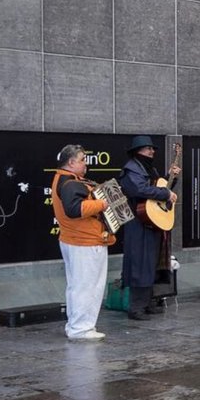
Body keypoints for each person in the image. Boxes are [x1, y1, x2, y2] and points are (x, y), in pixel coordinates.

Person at [51, 144, 114, 341]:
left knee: (77, 285)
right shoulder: (69, 183)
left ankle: (77, 326)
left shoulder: (64, 179)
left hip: (76, 240)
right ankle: (81, 328)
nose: (85, 164)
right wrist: (102, 204)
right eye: (82, 160)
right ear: (71, 162)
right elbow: (75, 209)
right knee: (87, 286)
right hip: (84, 242)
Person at [118, 136, 179, 320]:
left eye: (152, 149)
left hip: (151, 222)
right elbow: (140, 190)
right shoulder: (131, 170)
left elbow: (157, 189)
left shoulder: (147, 168)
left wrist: (170, 179)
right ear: (138, 151)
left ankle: (148, 302)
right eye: (147, 149)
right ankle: (136, 307)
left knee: (151, 263)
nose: (152, 152)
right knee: (140, 265)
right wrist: (166, 192)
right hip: (138, 223)